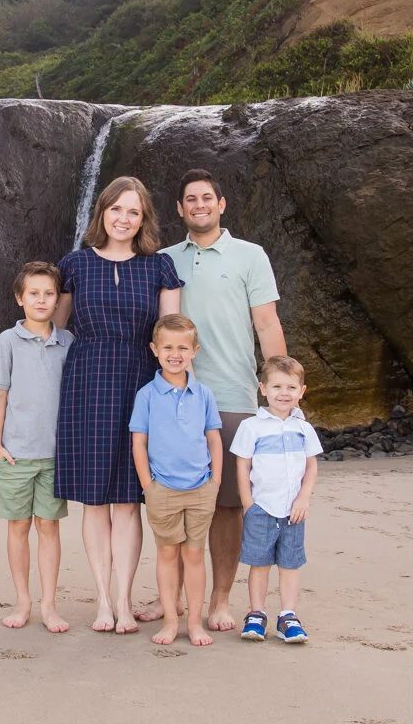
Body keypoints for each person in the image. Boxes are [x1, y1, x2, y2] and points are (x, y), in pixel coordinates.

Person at [143, 168, 286, 631]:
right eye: (190, 199)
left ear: (221, 205)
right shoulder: (164, 259)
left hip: (231, 395)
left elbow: (266, 324)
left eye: (208, 197)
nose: (199, 205)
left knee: (225, 505)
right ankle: (178, 598)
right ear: (180, 210)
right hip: (172, 400)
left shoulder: (251, 256)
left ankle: (220, 600)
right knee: (174, 497)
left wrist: (279, 390)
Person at [54, 176, 183, 634]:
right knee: (95, 501)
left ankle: (126, 603)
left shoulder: (160, 267)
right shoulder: (74, 265)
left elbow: (171, 334)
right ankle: (103, 603)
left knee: (129, 500)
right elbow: (55, 328)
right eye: (116, 209)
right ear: (102, 213)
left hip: (140, 382)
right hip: (86, 382)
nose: (124, 219)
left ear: (143, 218)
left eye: (134, 211)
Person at [0, 261, 73, 633]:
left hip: (54, 456)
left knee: (49, 528)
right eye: (33, 293)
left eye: (49, 294)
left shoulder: (67, 342)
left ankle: (49, 604)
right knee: (18, 526)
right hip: (15, 454)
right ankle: (22, 600)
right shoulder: (7, 341)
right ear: (20, 298)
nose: (41, 299)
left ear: (58, 299)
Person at [129, 314, 222, 646]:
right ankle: (170, 621)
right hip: (162, 490)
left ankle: (194, 623)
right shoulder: (147, 396)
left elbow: (213, 439)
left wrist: (215, 481)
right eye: (168, 347)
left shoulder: (204, 395)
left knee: (195, 556)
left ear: (194, 351)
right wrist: (148, 486)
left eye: (183, 347)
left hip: (200, 488)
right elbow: (139, 442)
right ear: (155, 350)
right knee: (167, 555)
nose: (175, 353)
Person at [231, 355, 322, 644]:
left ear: (301, 392)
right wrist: (248, 504)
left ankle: (288, 616)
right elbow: (242, 466)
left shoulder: (303, 428)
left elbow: (311, 467)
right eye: (277, 387)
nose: (284, 393)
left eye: (291, 388)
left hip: (293, 510)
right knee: (258, 564)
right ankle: (256, 614)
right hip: (262, 507)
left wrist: (304, 498)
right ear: (263, 389)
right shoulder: (252, 427)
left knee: (289, 563)